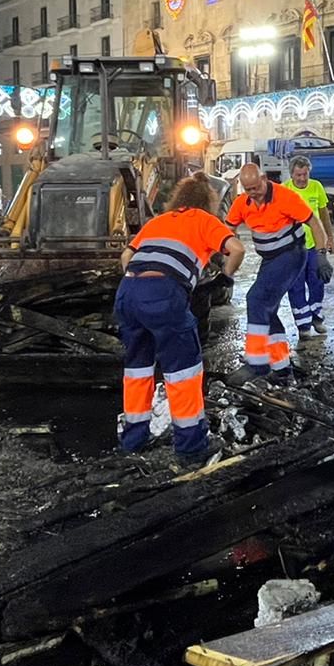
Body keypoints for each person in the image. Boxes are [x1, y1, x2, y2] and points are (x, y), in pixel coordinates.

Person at [116, 174, 245, 461]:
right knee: (183, 370)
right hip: (163, 294)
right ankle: (191, 446)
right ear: (206, 201)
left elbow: (126, 256)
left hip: (128, 292)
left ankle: (133, 439)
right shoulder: (205, 220)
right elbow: (237, 250)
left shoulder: (157, 221)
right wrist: (225, 276)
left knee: (137, 369)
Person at [225, 162, 331, 383]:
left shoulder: (285, 197)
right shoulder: (242, 203)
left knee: (255, 299)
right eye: (248, 189)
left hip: (292, 254)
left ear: (264, 179)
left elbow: (314, 222)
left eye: (256, 187)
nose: (254, 193)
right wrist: (223, 252)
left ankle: (257, 364)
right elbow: (229, 229)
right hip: (270, 258)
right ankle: (282, 369)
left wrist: (321, 255)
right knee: (267, 310)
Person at [285, 155, 334, 338]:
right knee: (296, 287)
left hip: (315, 245)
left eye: (305, 174)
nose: (302, 179)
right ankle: (303, 325)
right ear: (292, 174)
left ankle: (316, 317)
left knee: (318, 282)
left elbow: (324, 215)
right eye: (298, 175)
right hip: (292, 248)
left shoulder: (316, 187)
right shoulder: (285, 190)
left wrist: (330, 238)